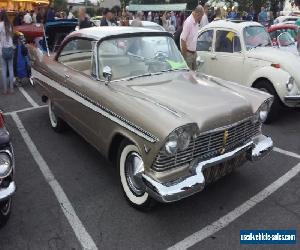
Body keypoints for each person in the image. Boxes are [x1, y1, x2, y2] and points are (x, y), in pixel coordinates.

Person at [180, 5, 204, 70]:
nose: (201, 18)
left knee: (195, 74)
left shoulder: (196, 22)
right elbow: (183, 40)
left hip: (193, 53)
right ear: (197, 14)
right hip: (188, 53)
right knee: (189, 77)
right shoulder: (188, 22)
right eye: (201, 16)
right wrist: (185, 56)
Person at [0, 11, 14, 94]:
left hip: (2, 49)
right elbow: (12, 36)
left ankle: (5, 89)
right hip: (10, 48)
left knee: (4, 70)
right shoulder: (10, 24)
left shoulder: (0, 25)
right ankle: (11, 89)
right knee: (11, 69)